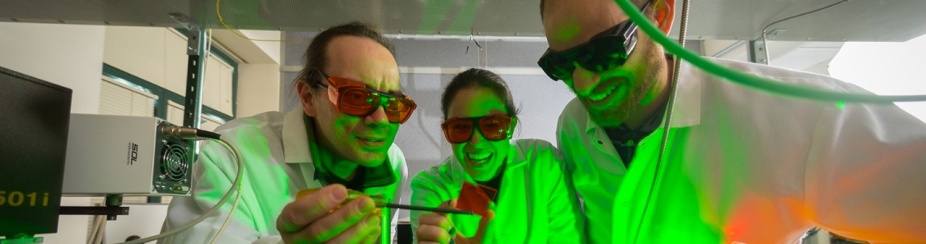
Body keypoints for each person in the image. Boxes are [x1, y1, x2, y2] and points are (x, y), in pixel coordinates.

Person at [538, 0, 926, 243]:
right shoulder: (573, 125)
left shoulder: (796, 116)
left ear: (661, 16)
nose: (583, 82)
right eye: (560, 64)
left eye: (605, 51)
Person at [161, 22, 415, 243]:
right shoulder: (232, 154)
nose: (380, 120)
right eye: (357, 96)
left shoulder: (393, 163)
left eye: (393, 104)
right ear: (308, 97)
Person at [410, 68, 584, 244]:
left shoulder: (543, 163)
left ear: (511, 126)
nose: (476, 141)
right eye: (461, 127)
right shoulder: (431, 187)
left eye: (492, 125)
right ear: (447, 130)